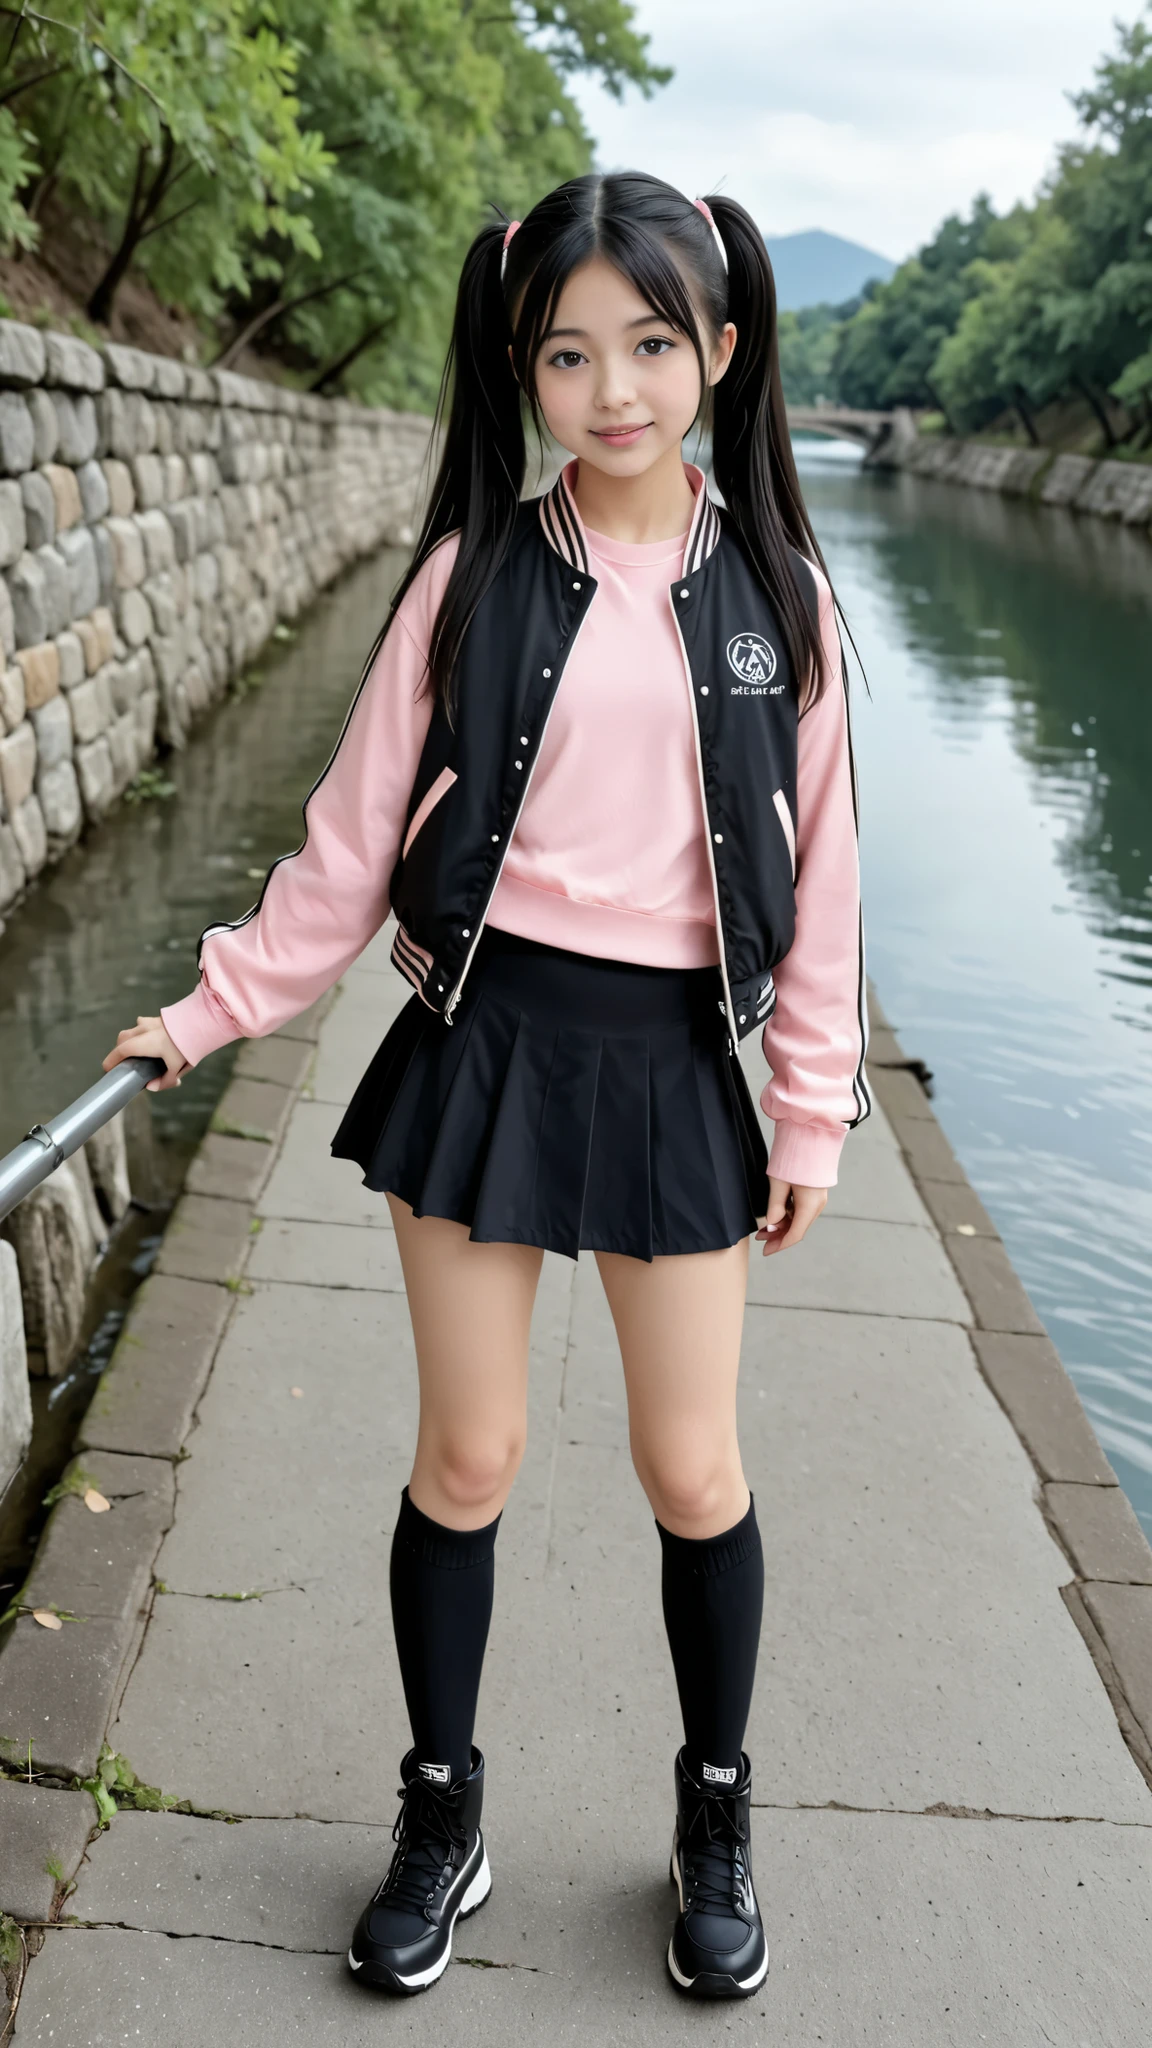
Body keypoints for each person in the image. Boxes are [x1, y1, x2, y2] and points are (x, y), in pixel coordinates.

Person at [103, 170, 869, 2003]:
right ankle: (441, 1813)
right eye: (572, 354)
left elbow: (826, 871)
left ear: (722, 356)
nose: (615, 390)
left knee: (695, 1470)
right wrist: (201, 1015)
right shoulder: (468, 578)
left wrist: (815, 1106)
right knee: (471, 1451)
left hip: (686, 1061)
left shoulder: (778, 592)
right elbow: (350, 845)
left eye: (653, 348)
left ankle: (714, 1809)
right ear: (524, 372)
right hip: (486, 1046)